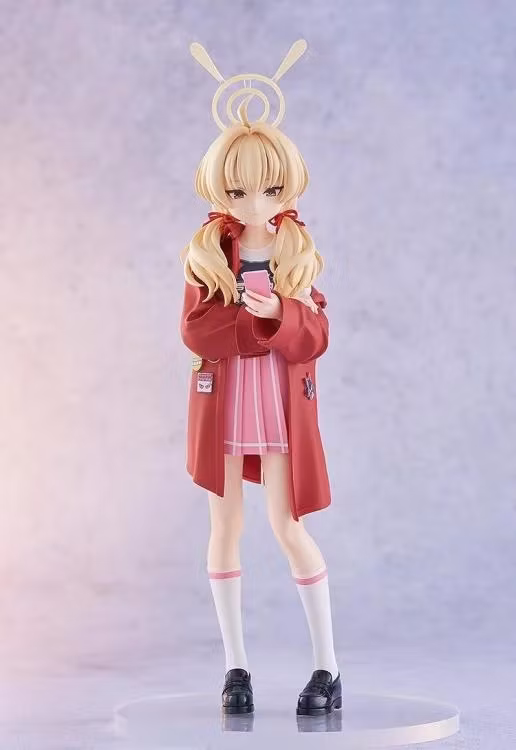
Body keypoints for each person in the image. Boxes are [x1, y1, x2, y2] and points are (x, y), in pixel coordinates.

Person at [179, 39, 341, 716]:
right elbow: (196, 331)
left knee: (287, 525)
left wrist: (280, 317)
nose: (254, 202)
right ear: (218, 185)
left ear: (289, 183)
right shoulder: (207, 252)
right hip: (225, 400)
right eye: (239, 189)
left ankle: (327, 666)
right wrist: (254, 324)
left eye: (270, 188)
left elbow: (318, 335)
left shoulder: (296, 248)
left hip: (277, 400)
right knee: (225, 527)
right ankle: (235, 667)